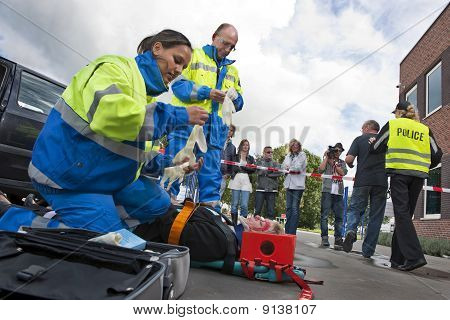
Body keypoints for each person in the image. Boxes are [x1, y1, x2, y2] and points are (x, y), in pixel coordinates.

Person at [18, 30, 209, 233]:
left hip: (97, 177)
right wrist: (177, 116)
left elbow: (138, 159)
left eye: (184, 67)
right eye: (177, 60)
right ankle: (12, 218)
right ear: (157, 48)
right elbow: (112, 115)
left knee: (158, 202)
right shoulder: (113, 68)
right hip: (66, 178)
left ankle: (89, 218)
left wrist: (173, 165)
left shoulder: (147, 99)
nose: (179, 69)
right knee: (108, 241)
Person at [166, 23, 244, 206]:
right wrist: (207, 93)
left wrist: (235, 97)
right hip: (186, 122)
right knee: (176, 166)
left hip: (216, 131)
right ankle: (163, 208)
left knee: (211, 175)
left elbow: (240, 104)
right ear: (214, 36)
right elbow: (179, 87)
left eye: (232, 47)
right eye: (225, 43)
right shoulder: (194, 56)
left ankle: (208, 214)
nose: (228, 49)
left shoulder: (233, 71)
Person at [369, 101, 442, 271]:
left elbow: (376, 147)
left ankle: (415, 257)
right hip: (418, 176)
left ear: (400, 112)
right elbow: (437, 154)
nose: (394, 115)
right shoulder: (424, 129)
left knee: (401, 215)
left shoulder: (393, 125)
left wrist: (373, 141)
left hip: (400, 174)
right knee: (405, 216)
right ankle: (398, 259)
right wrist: (423, 166)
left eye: (395, 112)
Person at [343, 120, 388, 257]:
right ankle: (368, 251)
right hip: (381, 181)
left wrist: (351, 165)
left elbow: (349, 159)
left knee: (355, 209)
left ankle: (351, 230)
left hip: (363, 180)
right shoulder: (385, 139)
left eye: (362, 128)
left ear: (368, 127)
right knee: (376, 216)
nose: (361, 131)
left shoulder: (359, 139)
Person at [318, 143, 348, 249]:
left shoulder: (342, 162)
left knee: (339, 217)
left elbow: (343, 173)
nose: (338, 153)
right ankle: (324, 238)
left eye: (340, 151)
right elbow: (320, 170)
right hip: (327, 190)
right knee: (324, 216)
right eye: (336, 151)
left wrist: (334, 164)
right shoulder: (327, 160)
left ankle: (338, 240)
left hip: (338, 192)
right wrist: (326, 157)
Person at [281, 139, 307, 235]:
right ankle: (287, 232)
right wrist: (286, 168)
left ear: (299, 146)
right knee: (288, 208)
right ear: (291, 147)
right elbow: (283, 167)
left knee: (294, 208)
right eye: (293, 145)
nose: (295, 147)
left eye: (297, 145)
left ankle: (292, 233)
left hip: (298, 185)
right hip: (289, 184)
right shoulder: (288, 155)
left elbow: (298, 168)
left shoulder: (302, 155)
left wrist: (289, 168)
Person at [228, 139, 255, 225]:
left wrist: (243, 167)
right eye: (244, 144)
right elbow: (232, 168)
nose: (245, 146)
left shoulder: (251, 158)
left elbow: (253, 170)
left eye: (247, 145)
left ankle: (243, 224)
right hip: (236, 178)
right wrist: (245, 167)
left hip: (246, 180)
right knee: (234, 204)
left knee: (244, 205)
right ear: (241, 146)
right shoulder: (235, 157)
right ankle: (234, 224)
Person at [255, 146, 282, 220]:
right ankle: (255, 228)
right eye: (268, 152)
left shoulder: (275, 163)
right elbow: (259, 172)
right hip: (260, 189)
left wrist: (267, 174)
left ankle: (269, 229)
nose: (270, 153)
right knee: (257, 211)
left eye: (271, 152)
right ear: (264, 153)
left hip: (272, 190)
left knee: (271, 212)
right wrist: (271, 171)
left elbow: (279, 173)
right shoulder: (259, 162)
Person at [219, 124, 237, 198]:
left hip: (223, 175)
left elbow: (232, 162)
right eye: (228, 129)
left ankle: (212, 209)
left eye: (231, 130)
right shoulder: (215, 140)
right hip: (212, 171)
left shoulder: (233, 148)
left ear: (233, 133)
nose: (229, 131)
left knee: (218, 196)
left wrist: (228, 173)